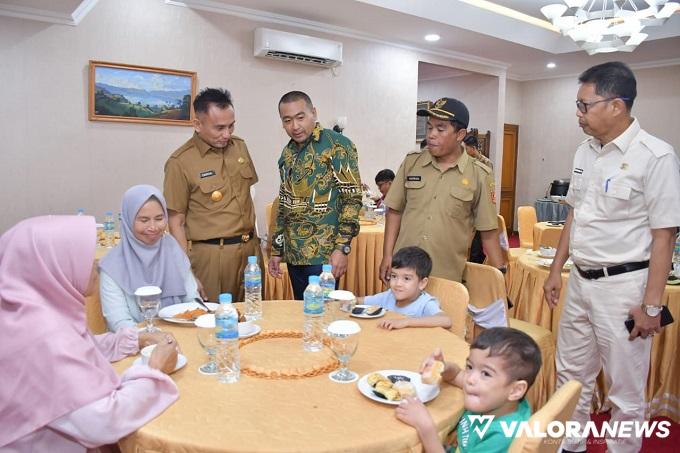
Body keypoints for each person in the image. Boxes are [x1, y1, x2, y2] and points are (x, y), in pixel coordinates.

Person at [543, 62, 680, 453]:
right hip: (580, 282)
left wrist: (652, 306)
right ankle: (569, 445)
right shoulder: (584, 151)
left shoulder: (655, 157)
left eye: (585, 105)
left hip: (624, 288)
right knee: (570, 376)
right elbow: (575, 212)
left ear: (617, 106)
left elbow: (664, 236)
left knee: (625, 388)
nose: (578, 114)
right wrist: (556, 269)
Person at [0, 215, 179, 451]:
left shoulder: (26, 314)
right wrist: (154, 368)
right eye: (82, 258)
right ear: (53, 266)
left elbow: (78, 348)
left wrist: (136, 339)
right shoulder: (41, 337)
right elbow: (104, 421)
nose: (95, 264)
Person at [380, 97, 505, 284]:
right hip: (402, 272)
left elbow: (488, 231)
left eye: (440, 129)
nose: (431, 135)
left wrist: (499, 275)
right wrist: (387, 255)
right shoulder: (412, 163)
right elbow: (395, 211)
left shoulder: (479, 174)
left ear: (460, 134)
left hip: (445, 276)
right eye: (429, 127)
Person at [164, 88, 263, 302]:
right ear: (197, 124)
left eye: (231, 126)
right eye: (219, 128)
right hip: (211, 257)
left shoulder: (240, 147)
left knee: (254, 322)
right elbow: (176, 223)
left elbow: (247, 195)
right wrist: (186, 272)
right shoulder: (180, 162)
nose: (226, 134)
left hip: (250, 254)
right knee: (214, 326)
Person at [268, 91, 362, 300]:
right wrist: (277, 249)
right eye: (287, 120)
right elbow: (284, 202)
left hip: (324, 253)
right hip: (294, 253)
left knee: (323, 314)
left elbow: (352, 199)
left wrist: (342, 248)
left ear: (314, 113)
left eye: (300, 117)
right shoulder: (287, 153)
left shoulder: (337, 145)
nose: (295, 126)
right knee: (303, 315)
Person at [396, 327, 541, 453]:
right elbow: (457, 375)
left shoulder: (503, 436)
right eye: (470, 367)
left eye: (486, 373)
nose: (470, 379)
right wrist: (442, 367)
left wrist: (425, 427)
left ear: (516, 390)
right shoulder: (498, 398)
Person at [100, 185, 201, 332]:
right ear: (128, 220)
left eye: (159, 218)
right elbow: (119, 322)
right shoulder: (112, 265)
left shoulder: (172, 249)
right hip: (137, 343)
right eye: (144, 220)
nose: (153, 227)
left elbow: (192, 299)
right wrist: (154, 338)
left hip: (182, 332)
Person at [358, 246, 451, 330]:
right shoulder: (389, 296)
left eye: (406, 278)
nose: (398, 283)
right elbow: (360, 301)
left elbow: (446, 320)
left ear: (422, 283)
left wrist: (405, 322)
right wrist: (347, 299)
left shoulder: (425, 303)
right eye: (394, 276)